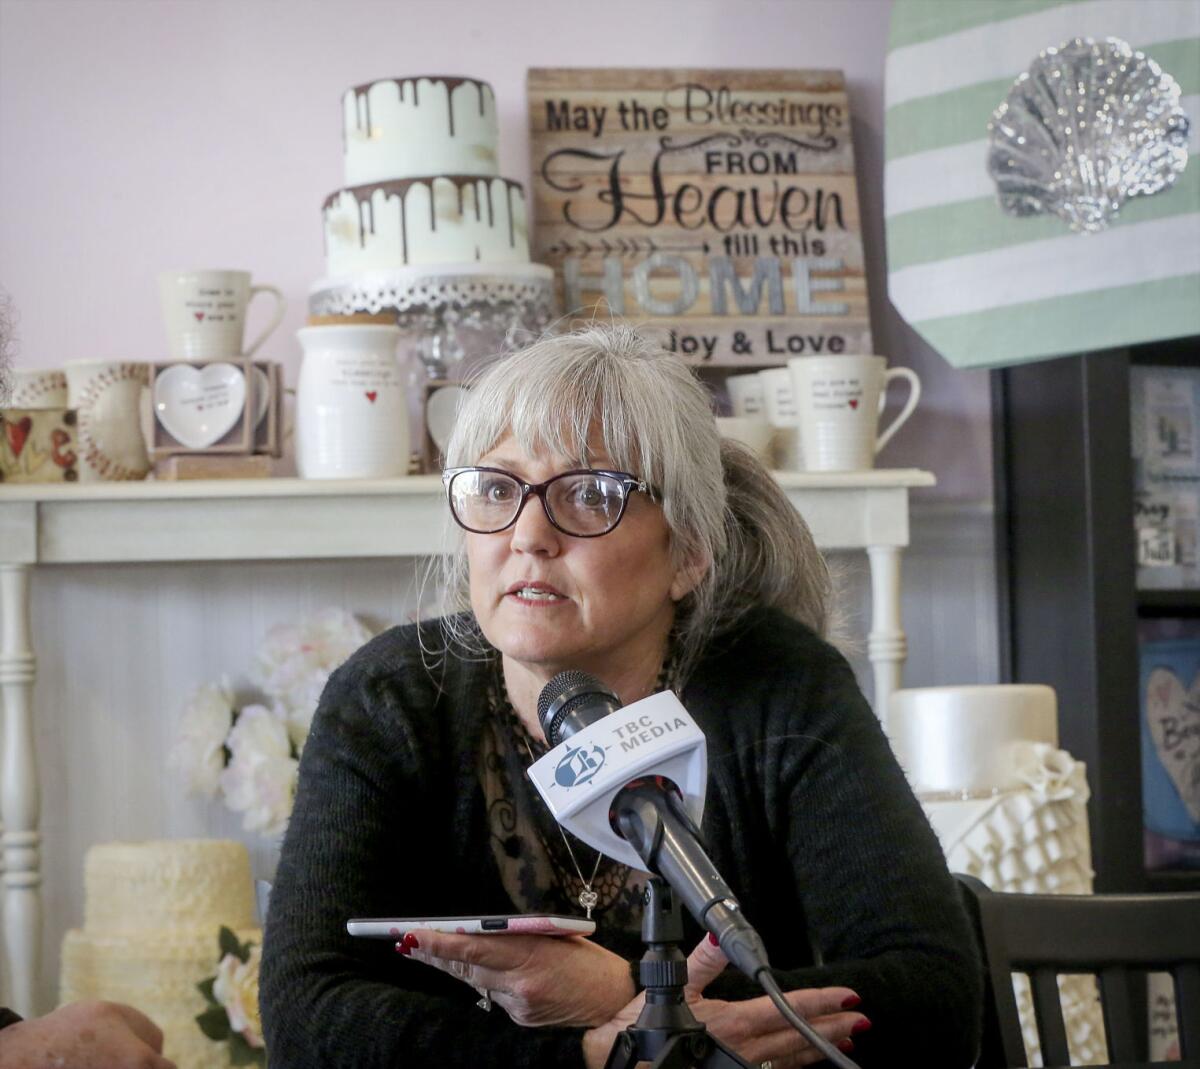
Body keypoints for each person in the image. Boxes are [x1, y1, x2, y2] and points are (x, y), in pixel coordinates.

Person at [260, 324, 983, 1068]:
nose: (529, 533)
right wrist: (604, 1054)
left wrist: (621, 993)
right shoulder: (389, 696)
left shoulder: (778, 683)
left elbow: (937, 998)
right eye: (498, 487)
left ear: (689, 551)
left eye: (591, 492)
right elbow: (305, 1015)